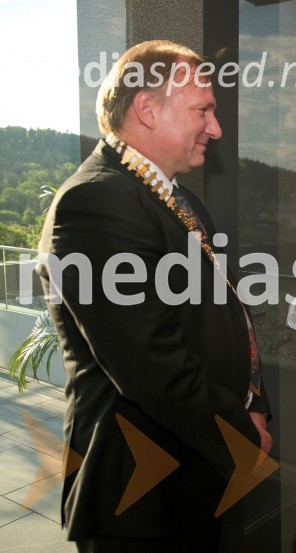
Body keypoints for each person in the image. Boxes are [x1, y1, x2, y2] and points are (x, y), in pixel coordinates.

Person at [37, 40, 271, 552]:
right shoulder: (95, 201)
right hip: (143, 501)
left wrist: (257, 405)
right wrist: (241, 435)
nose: (216, 128)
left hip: (194, 478)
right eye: (203, 110)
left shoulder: (179, 200)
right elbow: (152, 365)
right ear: (147, 109)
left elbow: (229, 312)